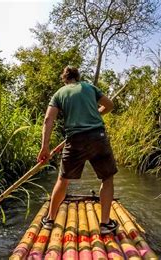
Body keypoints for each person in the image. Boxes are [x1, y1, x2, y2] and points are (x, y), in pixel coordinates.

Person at [36, 66, 119, 235]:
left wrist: (45, 147)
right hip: (98, 136)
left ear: (65, 79)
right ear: (78, 77)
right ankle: (105, 223)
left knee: (63, 179)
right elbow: (110, 105)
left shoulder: (60, 93)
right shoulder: (89, 88)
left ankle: (50, 220)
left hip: (75, 140)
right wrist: (97, 113)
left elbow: (48, 119)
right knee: (107, 177)